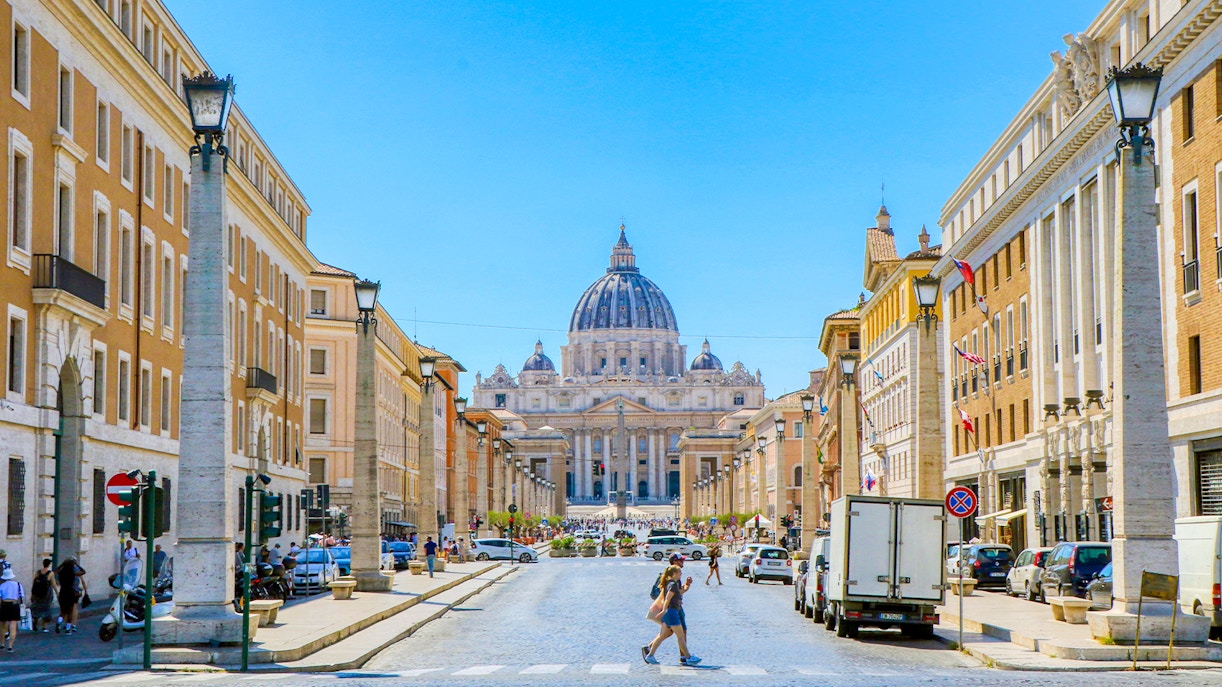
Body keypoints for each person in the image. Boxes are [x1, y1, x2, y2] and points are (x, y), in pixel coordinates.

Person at [642, 565, 700, 665]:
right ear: (674, 574)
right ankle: (688, 657)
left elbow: (680, 592)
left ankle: (650, 655)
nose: (681, 574)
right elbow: (668, 598)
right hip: (672, 613)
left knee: (662, 635)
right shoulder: (673, 584)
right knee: (680, 636)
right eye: (680, 572)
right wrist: (664, 610)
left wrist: (687, 585)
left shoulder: (669, 583)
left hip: (670, 612)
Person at [54, 557, 86, 635]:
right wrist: (76, 564)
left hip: (62, 592)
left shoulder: (61, 572)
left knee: (63, 610)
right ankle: (68, 628)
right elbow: (83, 571)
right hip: (70, 592)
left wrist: (63, 563)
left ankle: (59, 621)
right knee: (70, 611)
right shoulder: (72, 573)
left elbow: (55, 570)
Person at [30, 559, 57, 633]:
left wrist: (32, 594)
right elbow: (54, 584)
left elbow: (34, 584)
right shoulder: (50, 573)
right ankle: (44, 627)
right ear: (49, 565)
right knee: (46, 610)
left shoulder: (38, 572)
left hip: (37, 595)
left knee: (36, 609)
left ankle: (35, 621)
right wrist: (57, 593)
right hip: (46, 595)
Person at [0, 569, 23, 652]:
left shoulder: (1, 586)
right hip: (14, 605)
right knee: (13, 626)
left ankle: (2, 644)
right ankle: (10, 646)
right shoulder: (18, 585)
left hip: (5, 605)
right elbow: (21, 597)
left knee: (2, 626)